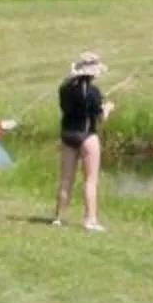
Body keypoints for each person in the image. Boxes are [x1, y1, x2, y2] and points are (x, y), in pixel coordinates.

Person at [51, 50, 114, 230]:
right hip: (87, 135)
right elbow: (101, 118)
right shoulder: (93, 92)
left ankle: (58, 217)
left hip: (67, 134)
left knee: (65, 179)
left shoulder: (64, 89)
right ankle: (90, 220)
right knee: (91, 180)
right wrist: (107, 108)